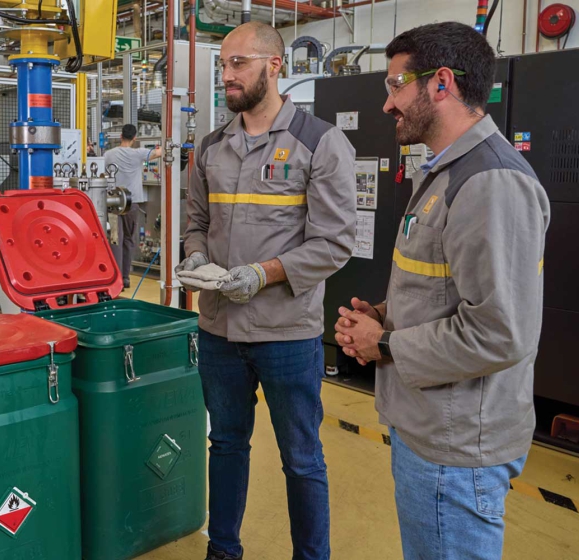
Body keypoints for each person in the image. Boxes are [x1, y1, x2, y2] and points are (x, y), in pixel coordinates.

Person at [334, 22, 550, 560]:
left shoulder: (489, 181)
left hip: (456, 447)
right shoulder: (447, 171)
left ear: (441, 83)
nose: (387, 104)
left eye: (395, 84)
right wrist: (383, 314)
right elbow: (447, 287)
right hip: (429, 427)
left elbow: (501, 331)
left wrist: (383, 345)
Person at [179, 21, 356, 560]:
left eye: (239, 63)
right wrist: (195, 256)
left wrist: (262, 273)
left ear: (274, 66)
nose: (227, 74)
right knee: (226, 445)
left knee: (301, 457)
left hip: (286, 333)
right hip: (218, 330)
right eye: (224, 64)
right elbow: (196, 221)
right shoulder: (211, 147)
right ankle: (224, 550)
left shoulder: (319, 142)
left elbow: (335, 242)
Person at [104, 123, 161, 289]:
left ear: (121, 136)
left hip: (113, 202)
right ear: (135, 138)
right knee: (129, 240)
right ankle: (126, 277)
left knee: (116, 240)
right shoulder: (139, 154)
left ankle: (115, 278)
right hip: (132, 203)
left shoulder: (108, 154)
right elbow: (159, 152)